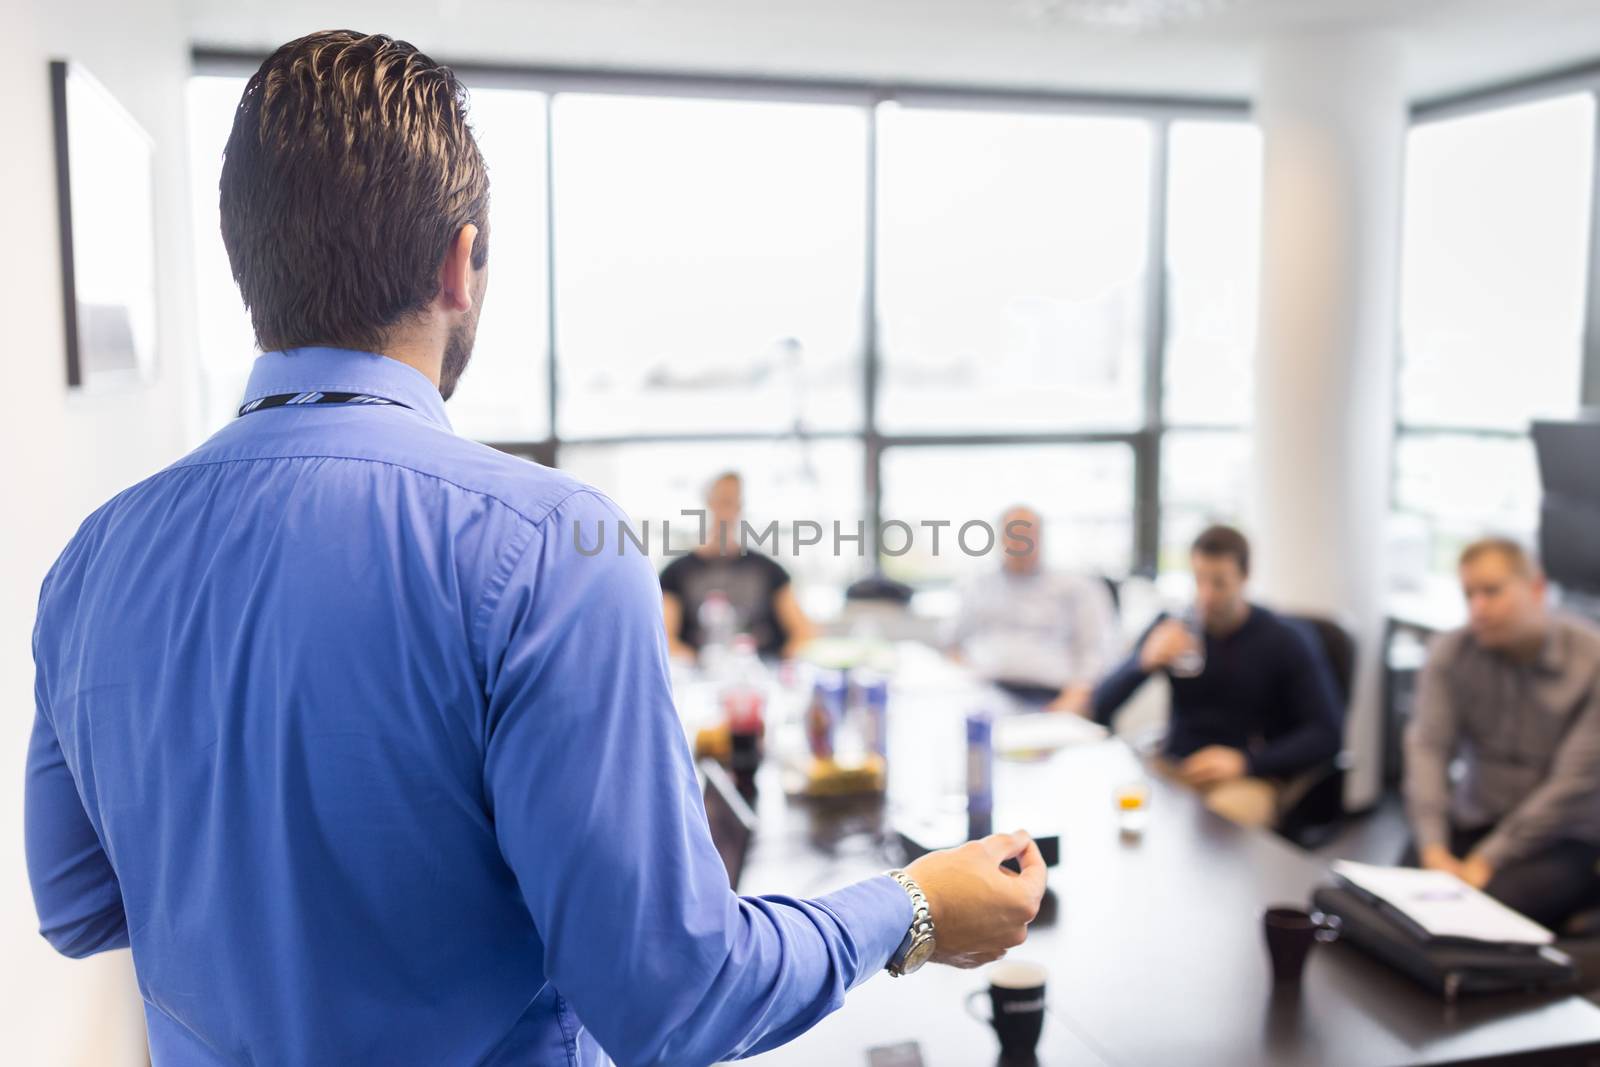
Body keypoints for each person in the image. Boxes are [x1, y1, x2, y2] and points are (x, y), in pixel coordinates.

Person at [24, 31, 1045, 1067]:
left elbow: (75, 900)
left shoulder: (91, 561)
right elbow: (676, 1000)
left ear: (250, 260)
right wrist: (911, 907)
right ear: (459, 262)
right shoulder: (546, 545)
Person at [1403, 537, 1600, 931]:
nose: (1478, 608)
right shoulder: (1452, 652)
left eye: (1492, 591)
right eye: (1469, 594)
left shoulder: (1591, 661)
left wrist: (1486, 860)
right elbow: (1428, 748)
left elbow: (1572, 785)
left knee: (1476, 918)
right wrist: (1434, 847)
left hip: (1561, 837)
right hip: (1474, 818)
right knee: (1399, 902)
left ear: (1537, 588)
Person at [1088, 525, 1343, 828]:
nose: (1205, 595)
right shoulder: (1175, 626)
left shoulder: (1284, 640)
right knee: (1118, 811)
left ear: (1245, 577)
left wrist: (1246, 762)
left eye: (1219, 583)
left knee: (1217, 832)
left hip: (1246, 775)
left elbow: (1327, 734)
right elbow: (1100, 706)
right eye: (1199, 580)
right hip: (1176, 766)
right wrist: (1142, 663)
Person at [948, 505, 1119, 713]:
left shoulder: (1078, 587)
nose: (1020, 541)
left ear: (1041, 537)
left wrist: (1075, 698)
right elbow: (953, 644)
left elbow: (1097, 651)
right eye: (1012, 533)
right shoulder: (978, 584)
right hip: (985, 692)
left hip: (1050, 697)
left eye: (1027, 533)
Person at [659, 470, 817, 660]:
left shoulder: (769, 570)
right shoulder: (676, 573)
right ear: (709, 503)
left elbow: (803, 632)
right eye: (722, 501)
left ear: (740, 507)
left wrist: (782, 665)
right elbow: (665, 639)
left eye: (733, 502)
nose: (726, 510)